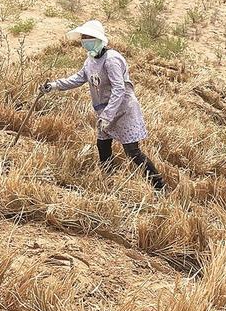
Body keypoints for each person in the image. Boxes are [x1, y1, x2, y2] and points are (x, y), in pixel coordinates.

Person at [41, 20, 166, 191]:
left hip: (123, 110)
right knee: (103, 145)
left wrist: (108, 115)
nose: (85, 40)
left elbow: (119, 89)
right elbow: (78, 78)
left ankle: (159, 186)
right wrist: (55, 85)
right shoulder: (90, 60)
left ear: (98, 38)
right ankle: (108, 181)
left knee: (132, 151)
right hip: (104, 110)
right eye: (83, 37)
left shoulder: (112, 59)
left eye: (89, 37)